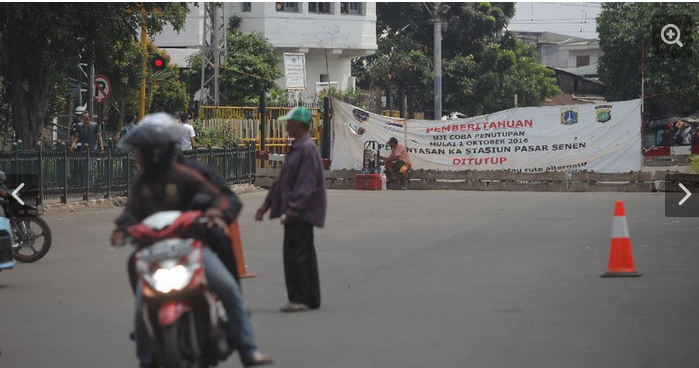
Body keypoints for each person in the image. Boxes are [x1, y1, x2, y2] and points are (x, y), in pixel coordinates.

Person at [111, 113, 272, 368]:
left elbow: (220, 198)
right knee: (141, 304)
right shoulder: (141, 183)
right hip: (155, 252)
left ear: (155, 151)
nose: (137, 157)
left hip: (191, 247)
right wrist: (122, 228)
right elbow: (130, 212)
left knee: (228, 288)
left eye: (141, 151)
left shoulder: (188, 174)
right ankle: (145, 360)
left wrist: (215, 215)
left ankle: (248, 348)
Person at [255, 107, 326, 313]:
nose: (285, 126)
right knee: (304, 252)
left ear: (297, 125)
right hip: (298, 210)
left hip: (301, 212)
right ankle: (311, 298)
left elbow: (306, 183)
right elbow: (282, 181)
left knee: (296, 255)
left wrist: (294, 209)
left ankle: (299, 298)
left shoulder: (306, 148)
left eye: (288, 123)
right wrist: (265, 205)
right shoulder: (298, 147)